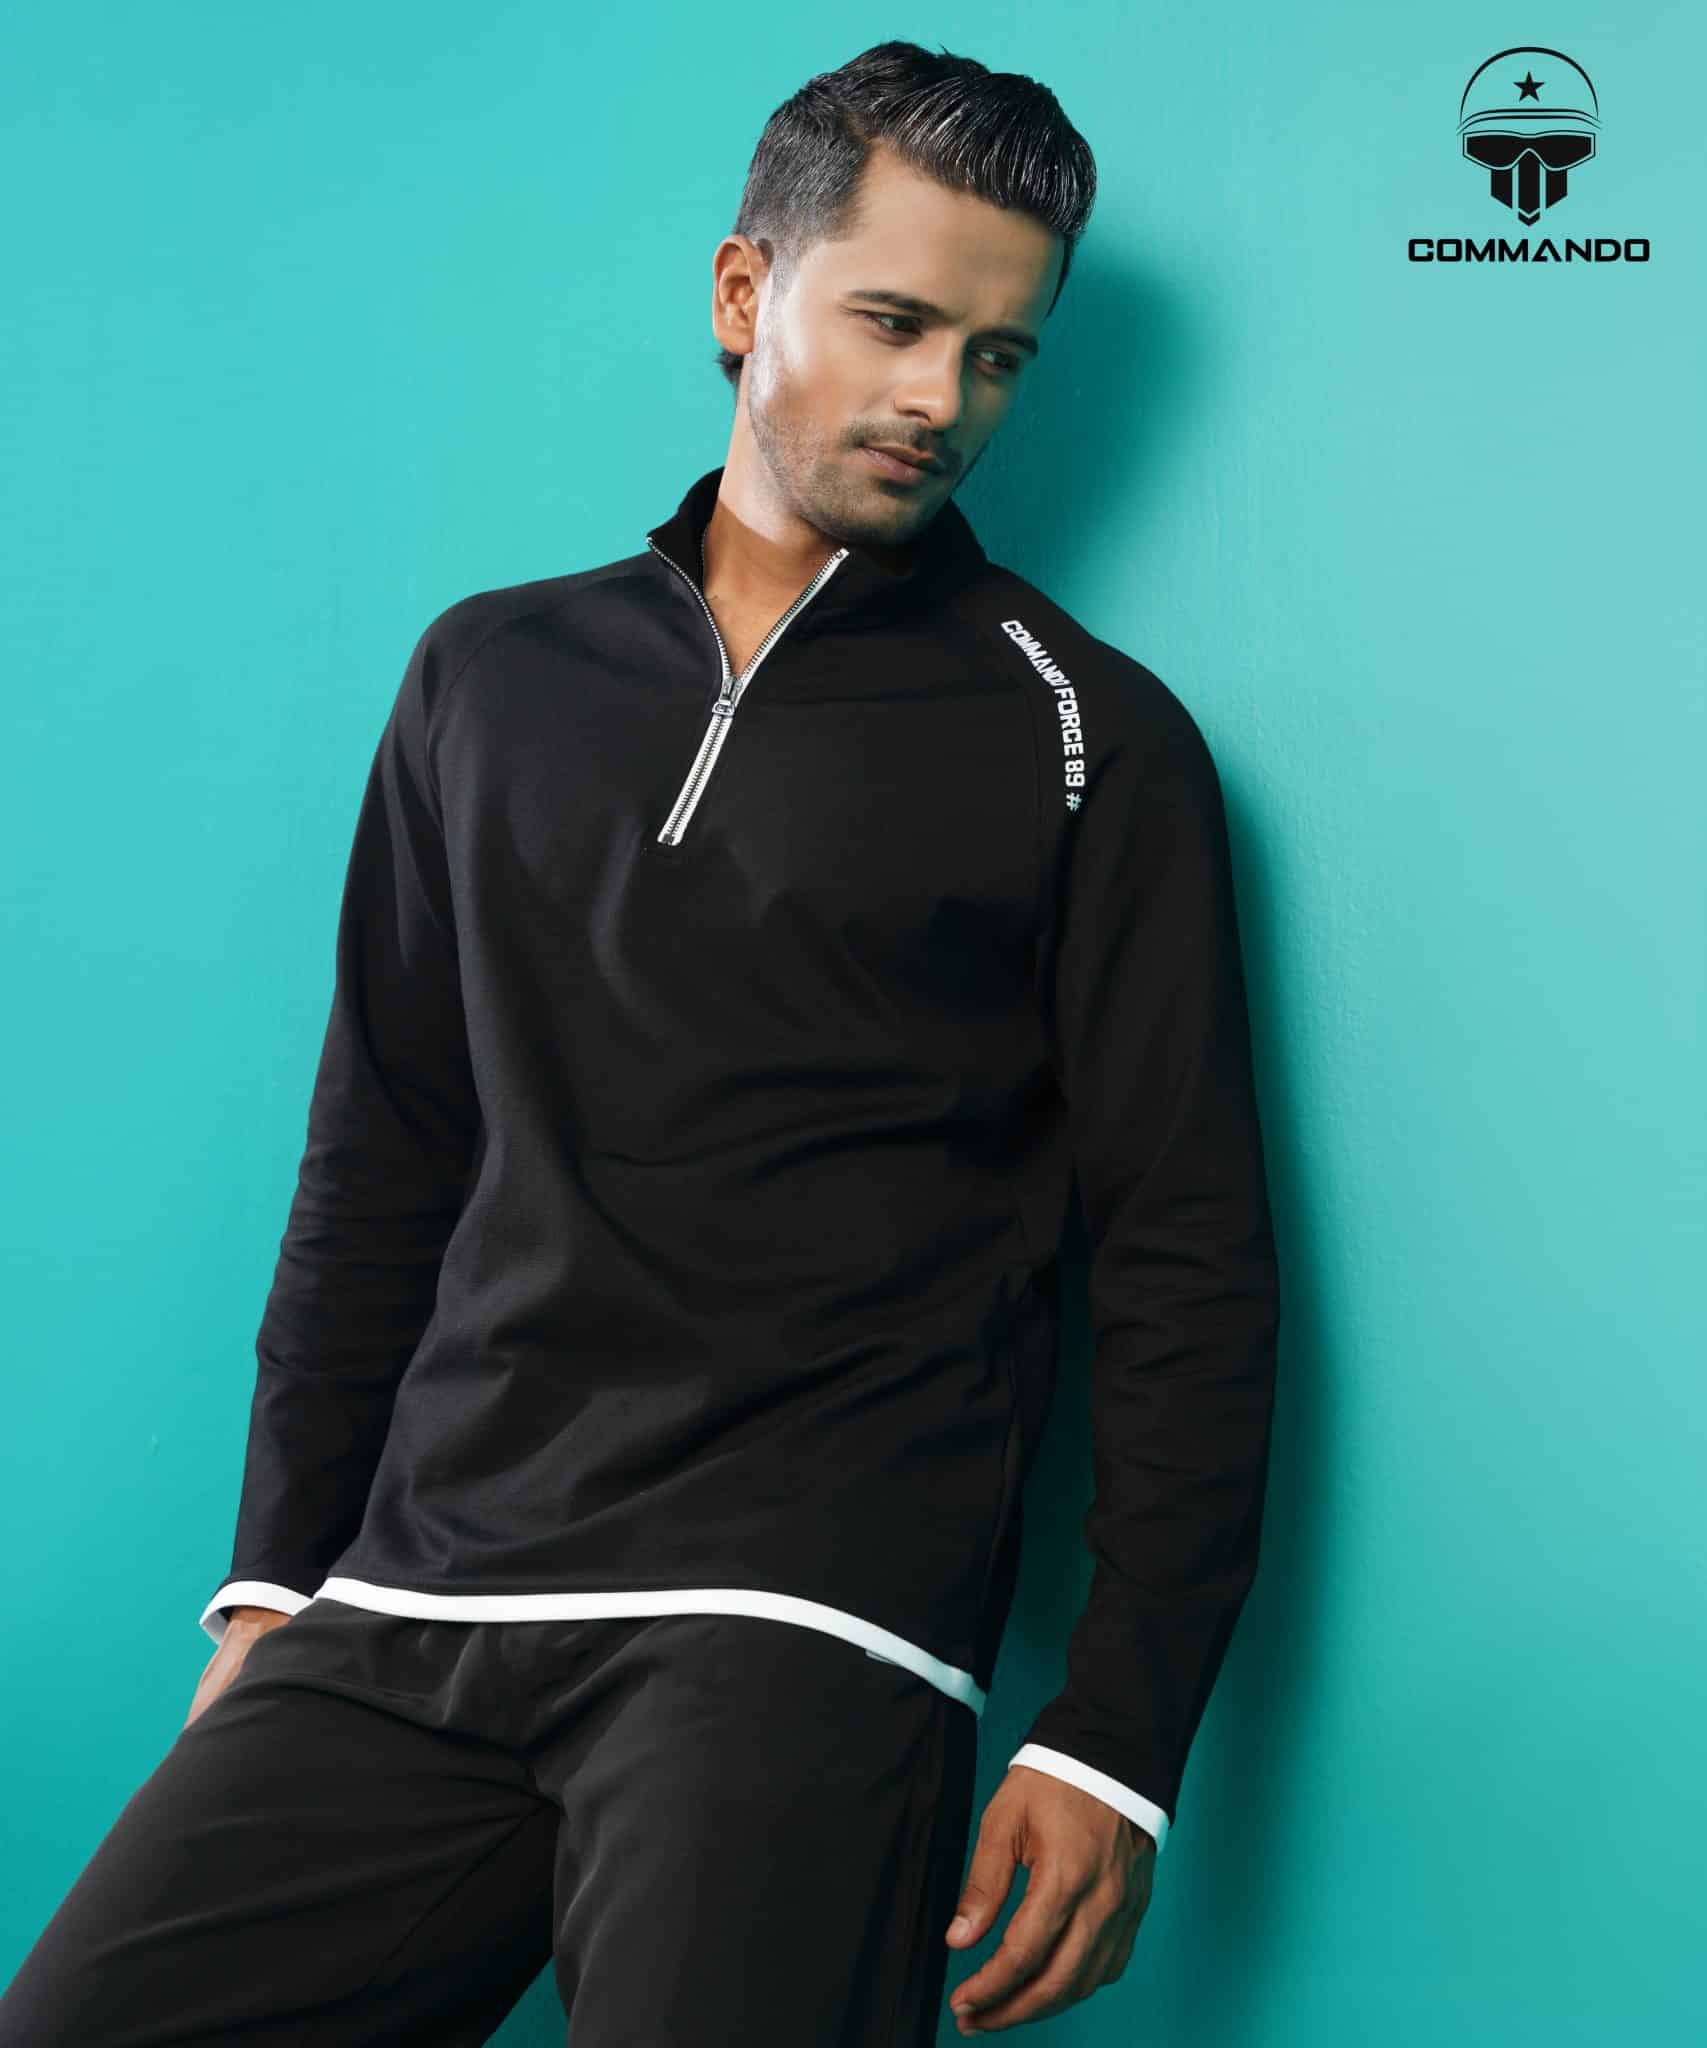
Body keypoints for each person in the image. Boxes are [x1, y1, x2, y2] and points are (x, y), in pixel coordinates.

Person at [0, 35, 1280, 2046]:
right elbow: (383, 1150)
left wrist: (1113, 1735)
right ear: (743, 292)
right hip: (426, 1584)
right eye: (895, 323)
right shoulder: (489, 674)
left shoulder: (1089, 740)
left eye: (998, 357)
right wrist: (275, 1577)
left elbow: (1187, 1253)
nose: (940, 400)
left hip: (804, 1610)